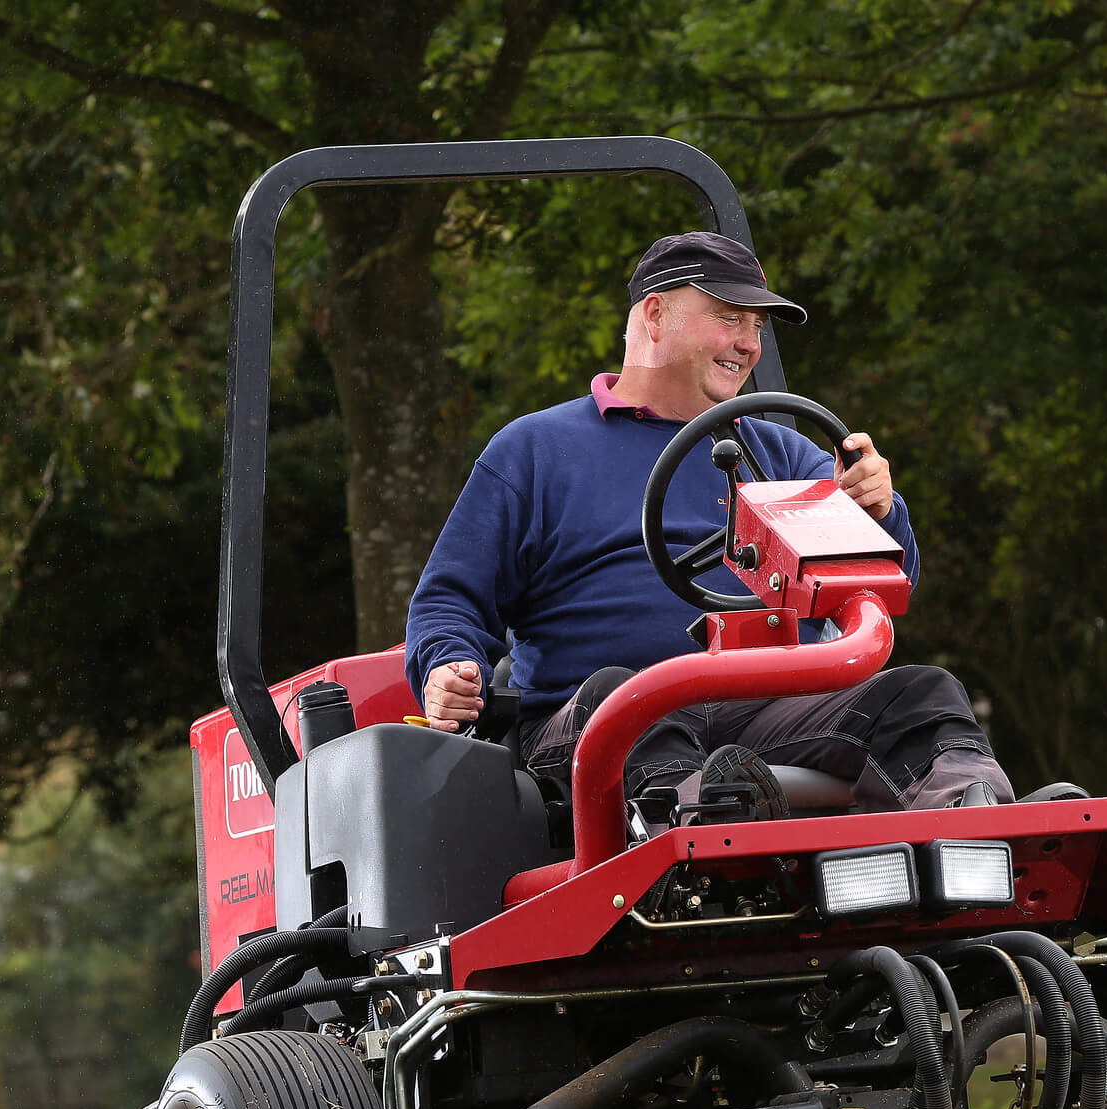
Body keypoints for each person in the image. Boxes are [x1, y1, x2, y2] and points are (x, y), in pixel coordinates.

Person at [404, 231, 1014, 822]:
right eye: (729, 317)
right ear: (654, 314)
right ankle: (709, 830)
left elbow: (878, 587)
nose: (748, 344)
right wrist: (449, 668)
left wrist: (880, 512)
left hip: (764, 708)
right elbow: (449, 602)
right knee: (630, 695)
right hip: (598, 719)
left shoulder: (784, 457)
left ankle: (983, 822)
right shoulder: (535, 452)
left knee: (920, 694)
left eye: (757, 326)